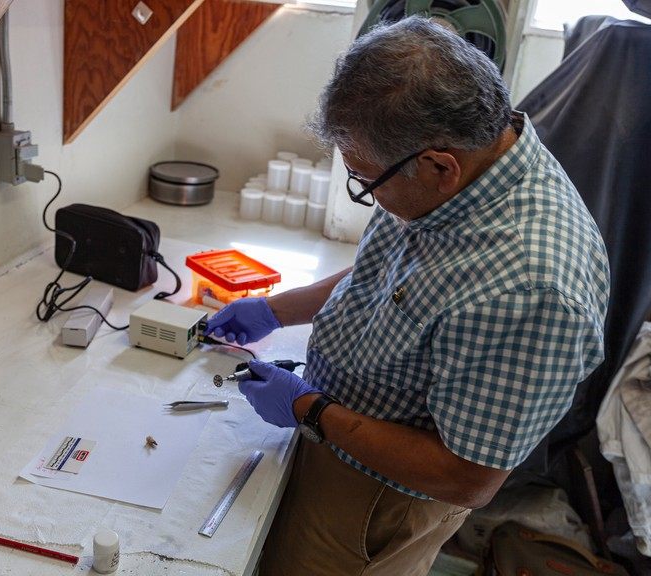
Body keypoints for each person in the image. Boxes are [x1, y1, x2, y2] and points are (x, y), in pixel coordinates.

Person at [205, 16, 610, 576]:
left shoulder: (533, 287)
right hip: (333, 433)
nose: (366, 196)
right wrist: (276, 308)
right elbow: (386, 272)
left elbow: (467, 476)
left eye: (365, 181)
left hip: (380, 499)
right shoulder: (470, 166)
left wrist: (308, 407)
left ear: (439, 166)